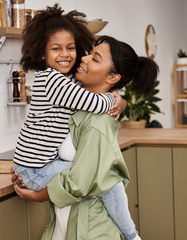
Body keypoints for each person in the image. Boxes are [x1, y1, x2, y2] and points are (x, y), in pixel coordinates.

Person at [12, 35, 159, 240]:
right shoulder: (77, 102)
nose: (84, 58)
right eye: (89, 53)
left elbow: (81, 179)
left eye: (95, 58)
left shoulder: (97, 122)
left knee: (111, 182)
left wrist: (39, 195)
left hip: (90, 227)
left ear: (112, 78)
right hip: (69, 221)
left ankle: (132, 235)